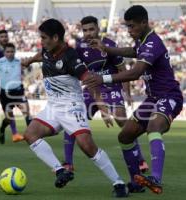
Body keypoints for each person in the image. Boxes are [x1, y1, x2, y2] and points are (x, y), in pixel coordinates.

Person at [23, 18, 128, 197]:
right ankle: (60, 170)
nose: (42, 41)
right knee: (30, 134)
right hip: (53, 107)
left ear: (56, 38)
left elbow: (90, 80)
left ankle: (118, 182)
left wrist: (102, 107)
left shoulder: (71, 57)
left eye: (44, 37)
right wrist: (29, 61)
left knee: (87, 146)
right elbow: (41, 56)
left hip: (72, 107)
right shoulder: (47, 50)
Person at [84, 5, 183, 194]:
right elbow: (131, 51)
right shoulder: (143, 41)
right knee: (125, 135)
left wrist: (102, 78)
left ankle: (156, 179)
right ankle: (136, 182)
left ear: (144, 23)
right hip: (153, 99)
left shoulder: (153, 42)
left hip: (169, 96)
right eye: (127, 27)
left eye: (132, 26)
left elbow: (136, 72)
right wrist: (106, 48)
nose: (129, 31)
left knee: (154, 126)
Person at [62, 16, 148, 174]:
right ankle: (68, 163)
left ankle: (140, 159)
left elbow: (123, 71)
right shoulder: (79, 47)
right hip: (91, 89)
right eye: (85, 30)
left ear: (98, 29)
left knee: (123, 121)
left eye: (91, 29)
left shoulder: (109, 45)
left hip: (111, 87)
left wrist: (127, 94)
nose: (88, 33)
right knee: (73, 121)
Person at [0, 43, 30, 144]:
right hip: (5, 94)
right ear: (4, 52)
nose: (10, 53)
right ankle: (2, 129)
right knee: (9, 118)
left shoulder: (19, 62)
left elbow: (26, 70)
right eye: (8, 51)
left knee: (27, 114)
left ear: (14, 52)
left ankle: (33, 137)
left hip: (19, 92)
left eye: (12, 51)